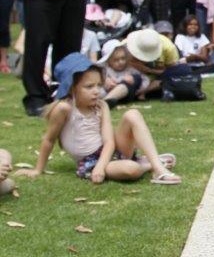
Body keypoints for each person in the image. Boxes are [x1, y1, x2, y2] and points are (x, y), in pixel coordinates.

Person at [14, 53, 180, 185]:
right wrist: (38, 170)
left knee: (133, 114)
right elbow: (48, 140)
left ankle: (157, 168)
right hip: (90, 161)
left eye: (99, 85)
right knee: (131, 169)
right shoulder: (64, 108)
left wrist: (101, 166)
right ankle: (146, 164)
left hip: (111, 152)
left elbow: (109, 141)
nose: (96, 91)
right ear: (72, 88)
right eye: (89, 87)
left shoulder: (101, 106)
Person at [97, 39, 148, 105]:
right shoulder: (105, 70)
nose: (121, 62)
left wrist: (140, 90)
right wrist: (105, 82)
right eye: (116, 60)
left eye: (123, 58)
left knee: (133, 79)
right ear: (108, 61)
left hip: (127, 94)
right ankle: (105, 101)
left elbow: (145, 79)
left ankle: (106, 102)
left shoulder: (130, 69)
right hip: (108, 93)